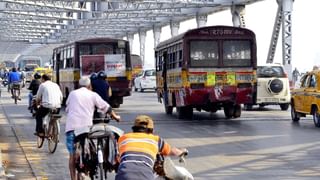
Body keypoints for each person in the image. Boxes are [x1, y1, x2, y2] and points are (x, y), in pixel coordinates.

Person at [65, 76, 121, 180]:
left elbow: (67, 108)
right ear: (89, 86)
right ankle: (86, 170)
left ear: (79, 85)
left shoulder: (72, 94)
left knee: (72, 155)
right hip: (85, 129)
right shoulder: (93, 95)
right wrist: (116, 117)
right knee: (89, 151)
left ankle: (73, 178)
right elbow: (106, 107)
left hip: (71, 128)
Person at [115, 115, 187, 180]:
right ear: (151, 130)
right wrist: (182, 151)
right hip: (145, 176)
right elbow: (172, 151)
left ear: (134, 128)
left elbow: (117, 157)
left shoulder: (123, 138)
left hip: (123, 176)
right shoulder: (156, 140)